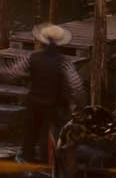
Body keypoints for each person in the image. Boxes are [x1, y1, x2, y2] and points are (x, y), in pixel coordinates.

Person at [21, 25, 81, 161]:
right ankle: (46, 162)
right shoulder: (64, 63)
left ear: (42, 42)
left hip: (34, 103)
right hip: (53, 106)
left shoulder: (32, 57)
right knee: (48, 135)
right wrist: (79, 104)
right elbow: (76, 86)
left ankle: (28, 160)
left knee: (30, 134)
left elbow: (12, 72)